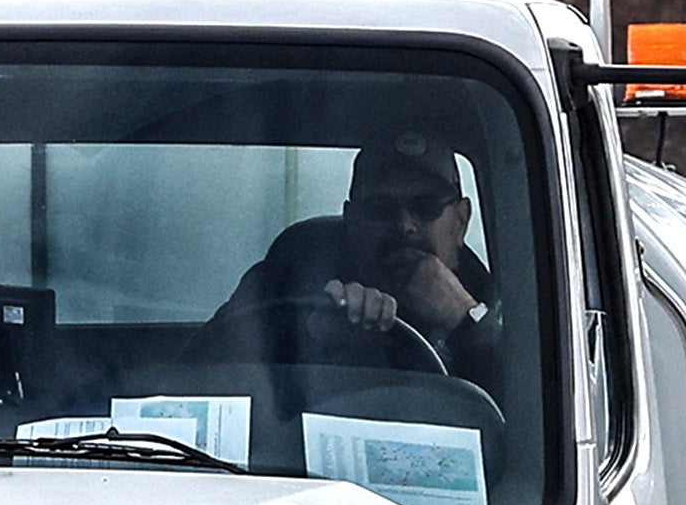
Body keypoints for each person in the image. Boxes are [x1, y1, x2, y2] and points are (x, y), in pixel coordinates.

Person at [210, 133, 502, 385]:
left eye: (426, 207)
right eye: (380, 208)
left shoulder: (507, 307)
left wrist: (465, 319)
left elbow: (530, 412)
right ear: (350, 220)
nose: (404, 226)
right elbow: (199, 373)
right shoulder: (284, 281)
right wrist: (301, 334)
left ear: (461, 221)